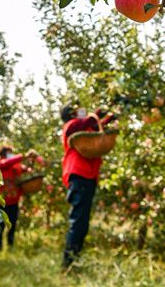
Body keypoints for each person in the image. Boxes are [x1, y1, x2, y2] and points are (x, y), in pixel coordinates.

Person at [60, 103, 116, 269]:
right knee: (78, 222)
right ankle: (67, 265)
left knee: (82, 223)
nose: (83, 112)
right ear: (72, 114)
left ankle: (73, 261)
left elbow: (99, 125)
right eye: (78, 110)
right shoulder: (71, 126)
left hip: (88, 176)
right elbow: (85, 124)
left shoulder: (85, 127)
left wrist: (113, 112)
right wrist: (96, 113)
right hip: (78, 175)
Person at [0, 145, 35, 251]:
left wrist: (31, 163)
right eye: (9, 152)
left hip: (14, 201)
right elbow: (8, 162)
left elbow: (24, 169)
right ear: (3, 154)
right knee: (1, 226)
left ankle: (10, 247)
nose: (11, 155)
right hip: (2, 201)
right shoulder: (1, 163)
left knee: (12, 225)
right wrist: (24, 156)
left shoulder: (16, 166)